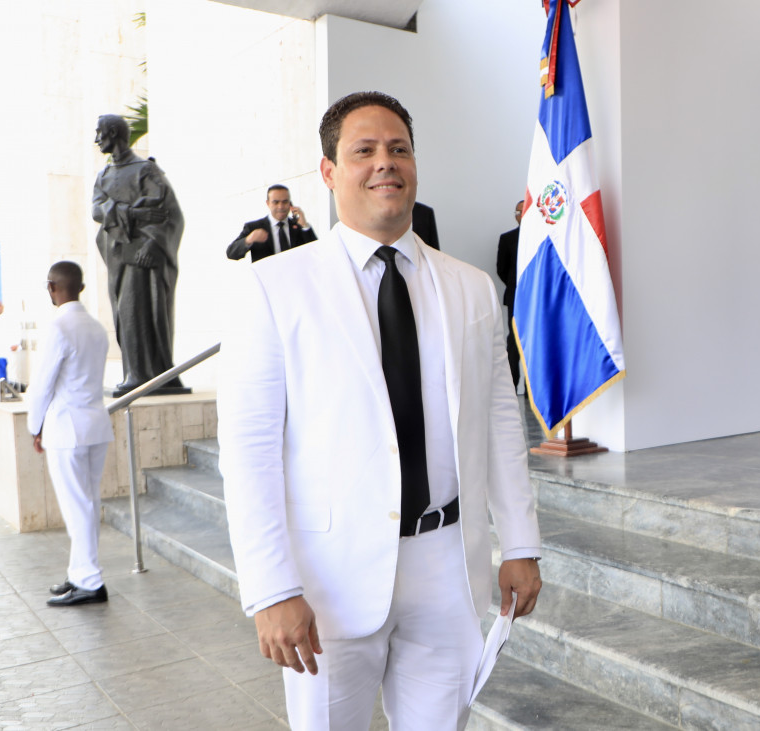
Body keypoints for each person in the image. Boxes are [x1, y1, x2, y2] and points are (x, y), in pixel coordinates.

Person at [218, 91, 541, 729]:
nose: (384, 162)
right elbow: (249, 451)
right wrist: (272, 588)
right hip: (329, 581)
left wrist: (521, 541)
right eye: (363, 150)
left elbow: (501, 423)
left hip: (448, 567)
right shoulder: (274, 286)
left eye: (398, 148)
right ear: (329, 171)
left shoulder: (471, 287)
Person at [27, 261, 114, 607]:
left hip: (67, 429)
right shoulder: (96, 327)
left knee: (78, 507)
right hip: (95, 425)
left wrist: (34, 426)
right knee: (87, 504)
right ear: (81, 287)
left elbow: (42, 386)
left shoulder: (59, 327)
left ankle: (89, 581)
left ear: (52, 287)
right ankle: (80, 573)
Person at [91, 114, 187, 396]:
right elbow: (96, 210)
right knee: (124, 313)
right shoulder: (104, 175)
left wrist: (153, 245)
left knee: (141, 311)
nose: (96, 139)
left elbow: (171, 214)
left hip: (144, 256)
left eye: (99, 133)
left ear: (112, 133)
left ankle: (146, 374)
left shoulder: (146, 170)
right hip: (119, 255)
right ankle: (135, 371)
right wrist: (132, 212)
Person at [226, 184, 317, 263]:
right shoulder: (254, 227)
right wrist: (249, 239)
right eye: (275, 202)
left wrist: (305, 226)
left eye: (285, 202)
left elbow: (317, 252)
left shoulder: (298, 226)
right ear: (268, 203)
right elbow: (231, 253)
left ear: (290, 204)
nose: (280, 206)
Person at [495, 200, 523, 388]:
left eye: (525, 210)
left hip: (538, 298)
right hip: (515, 297)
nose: (522, 215)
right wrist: (515, 286)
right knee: (514, 341)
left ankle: (532, 391)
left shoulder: (543, 237)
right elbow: (502, 269)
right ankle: (511, 386)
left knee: (537, 342)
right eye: (518, 212)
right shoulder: (507, 239)